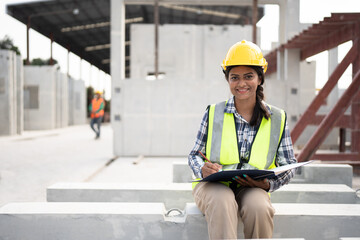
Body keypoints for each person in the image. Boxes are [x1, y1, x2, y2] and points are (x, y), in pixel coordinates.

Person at [188, 40, 297, 239]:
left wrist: (267, 185)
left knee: (260, 207)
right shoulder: (213, 113)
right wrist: (201, 168)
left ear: (260, 78)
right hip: (214, 187)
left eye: (249, 76)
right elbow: (194, 154)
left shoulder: (277, 118)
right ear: (228, 80)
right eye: (234, 78)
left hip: (252, 187)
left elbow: (288, 165)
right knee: (222, 201)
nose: (241, 84)